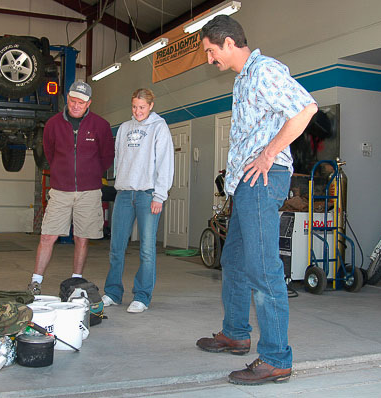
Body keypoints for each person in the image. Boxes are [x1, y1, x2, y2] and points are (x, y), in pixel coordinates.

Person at [195, 16, 318, 385]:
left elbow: (305, 109)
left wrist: (268, 155)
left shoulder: (264, 70)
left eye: (210, 51)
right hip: (245, 185)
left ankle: (277, 358)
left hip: (264, 180)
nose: (209, 59)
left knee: (264, 269)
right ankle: (235, 332)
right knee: (233, 261)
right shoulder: (243, 79)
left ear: (229, 43)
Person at [27, 81, 114, 294]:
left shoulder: (100, 125)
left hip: (89, 190)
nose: (76, 105)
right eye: (73, 101)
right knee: (48, 235)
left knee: (81, 237)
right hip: (60, 190)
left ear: (89, 103)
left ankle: (76, 281)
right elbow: (49, 152)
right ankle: (35, 282)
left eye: (81, 102)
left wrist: (90, 175)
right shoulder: (53, 124)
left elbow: (107, 157)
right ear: (67, 98)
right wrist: (63, 173)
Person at [101, 88, 174, 313]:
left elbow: (165, 162)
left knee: (147, 249)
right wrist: (121, 182)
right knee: (116, 247)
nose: (138, 111)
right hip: (124, 193)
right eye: (134, 106)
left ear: (151, 106)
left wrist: (159, 195)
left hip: (148, 194)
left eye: (142, 107)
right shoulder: (124, 128)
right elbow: (120, 158)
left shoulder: (159, 128)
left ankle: (142, 296)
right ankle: (113, 292)